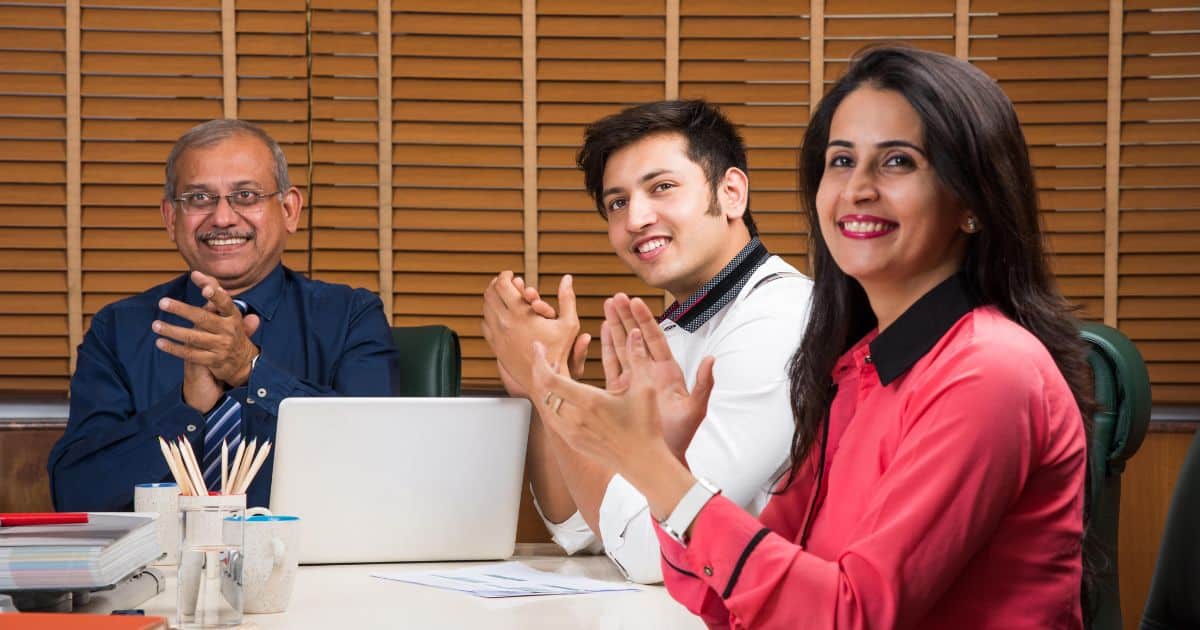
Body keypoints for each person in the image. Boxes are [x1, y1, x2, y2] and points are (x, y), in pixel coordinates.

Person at [528, 45, 1094, 628]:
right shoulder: (855, 370)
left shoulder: (989, 371)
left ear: (972, 201)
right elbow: (742, 591)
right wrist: (668, 455)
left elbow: (851, 616)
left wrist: (652, 467)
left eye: (898, 161)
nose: (857, 189)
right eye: (841, 161)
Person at [482, 100, 813, 583]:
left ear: (732, 192)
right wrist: (548, 386)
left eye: (662, 187)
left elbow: (647, 549)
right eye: (617, 203)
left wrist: (545, 380)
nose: (636, 218)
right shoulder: (677, 325)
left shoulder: (781, 316)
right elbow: (577, 526)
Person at [49, 119, 401, 511]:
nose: (222, 218)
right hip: (162, 567)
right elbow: (76, 494)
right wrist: (184, 409)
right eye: (199, 199)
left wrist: (251, 373)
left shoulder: (351, 317)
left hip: (308, 561)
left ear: (289, 210)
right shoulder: (118, 329)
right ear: (170, 218)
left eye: (245, 195)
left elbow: (379, 466)